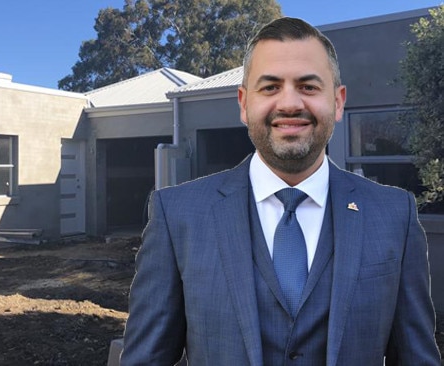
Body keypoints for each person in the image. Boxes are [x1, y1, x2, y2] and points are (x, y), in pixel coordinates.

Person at [120, 17, 441, 365]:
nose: (289, 104)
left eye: (308, 86)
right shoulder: (177, 215)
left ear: (337, 101)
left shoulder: (395, 214)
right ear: (243, 103)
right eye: (270, 87)